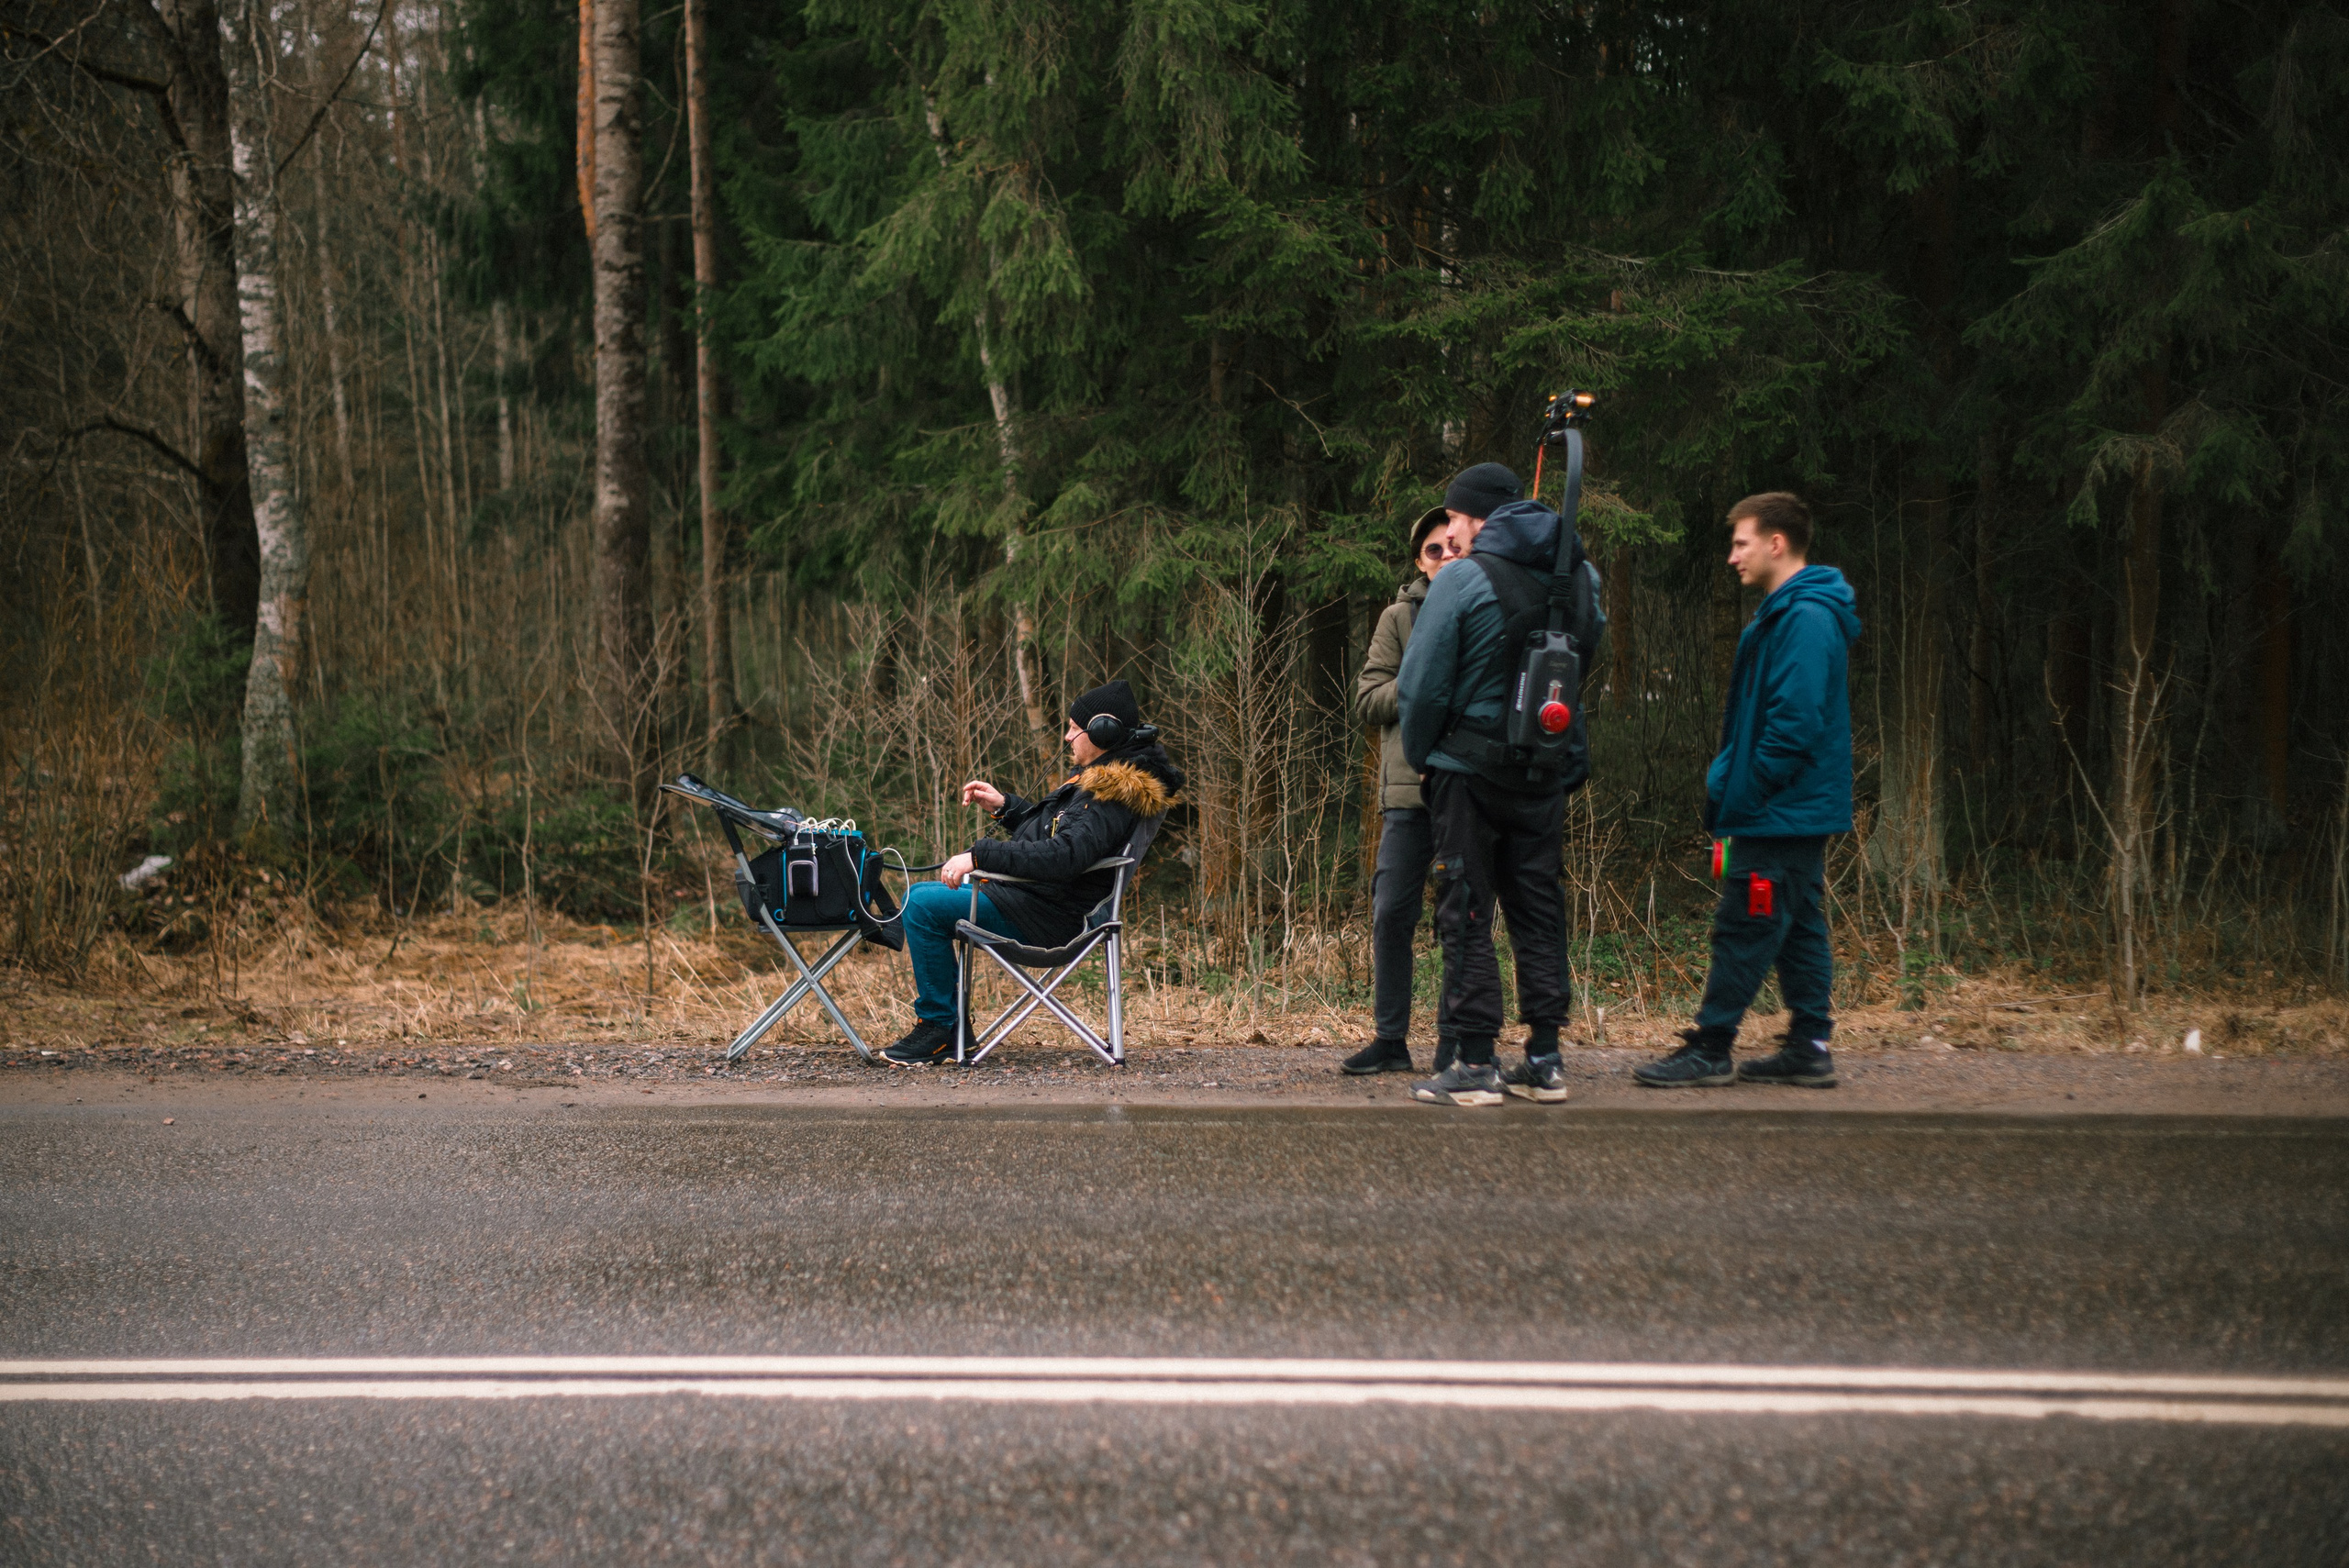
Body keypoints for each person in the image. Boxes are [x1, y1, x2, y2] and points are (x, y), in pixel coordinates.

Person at [1634, 492, 1861, 1089]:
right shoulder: (1789, 612)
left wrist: (1749, 787)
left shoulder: (1805, 617)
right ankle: (1810, 1046)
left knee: (1747, 919)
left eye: (1741, 543)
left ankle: (1712, 1045)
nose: (1733, 556)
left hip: (1778, 809)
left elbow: (1795, 721)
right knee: (1800, 921)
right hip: (1789, 808)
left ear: (1776, 543)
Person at [1393, 462, 1596, 1106]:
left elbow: (1419, 686)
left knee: (1467, 909)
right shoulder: (1580, 578)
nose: (1449, 531)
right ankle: (1544, 1057)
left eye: (1453, 517)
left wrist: (1425, 754)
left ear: (1476, 516)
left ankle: (1476, 1060)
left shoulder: (1463, 580)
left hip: (1467, 773)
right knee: (1540, 910)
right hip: (1542, 772)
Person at [881, 680, 1183, 1067]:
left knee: (921, 904)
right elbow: (1058, 835)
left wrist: (979, 855)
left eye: (1076, 728)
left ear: (1104, 732)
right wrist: (1005, 807)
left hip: (1053, 919)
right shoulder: (1104, 780)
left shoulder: (1110, 793)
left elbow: (1064, 856)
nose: (1068, 736)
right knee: (924, 899)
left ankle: (940, 1028)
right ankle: (949, 1028)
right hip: (1043, 904)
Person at [1341, 505, 1463, 1075]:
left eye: (1452, 547)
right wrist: (1422, 685)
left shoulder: (1481, 609)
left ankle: (1456, 1040)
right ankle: (1390, 1040)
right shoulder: (1398, 617)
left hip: (1466, 790)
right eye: (1433, 550)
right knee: (1392, 912)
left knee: (1461, 917)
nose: (1444, 557)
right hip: (1408, 794)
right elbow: (1368, 699)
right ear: (1420, 560)